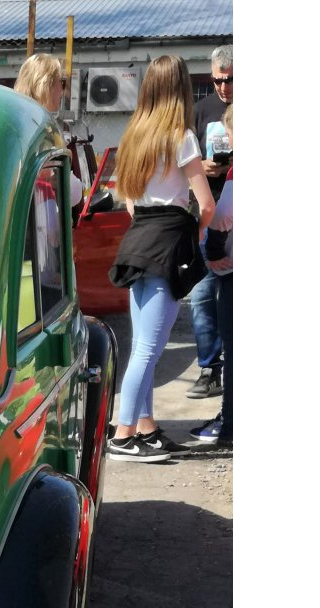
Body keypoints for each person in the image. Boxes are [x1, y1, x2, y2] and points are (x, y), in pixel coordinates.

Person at [105, 55, 214, 463]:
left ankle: (145, 430)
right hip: (168, 244)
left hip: (138, 242)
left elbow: (129, 200)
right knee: (148, 349)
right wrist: (196, 232)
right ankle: (122, 436)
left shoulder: (135, 134)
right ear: (182, 87)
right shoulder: (181, 136)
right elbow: (204, 204)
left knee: (143, 345)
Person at [184, 44, 233, 400]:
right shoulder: (200, 111)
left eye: (231, 80)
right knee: (202, 296)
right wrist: (202, 169)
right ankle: (210, 368)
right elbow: (184, 161)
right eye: (217, 80)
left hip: (235, 216)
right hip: (207, 214)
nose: (224, 88)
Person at [192, 104, 233, 448]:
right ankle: (211, 374)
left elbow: (221, 215)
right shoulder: (200, 111)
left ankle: (231, 422)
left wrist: (215, 253)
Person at [14, 53, 84, 208]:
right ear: (47, 85)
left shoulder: (15, 122)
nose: (63, 90)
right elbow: (72, 193)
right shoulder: (44, 130)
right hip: (37, 224)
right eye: (62, 82)